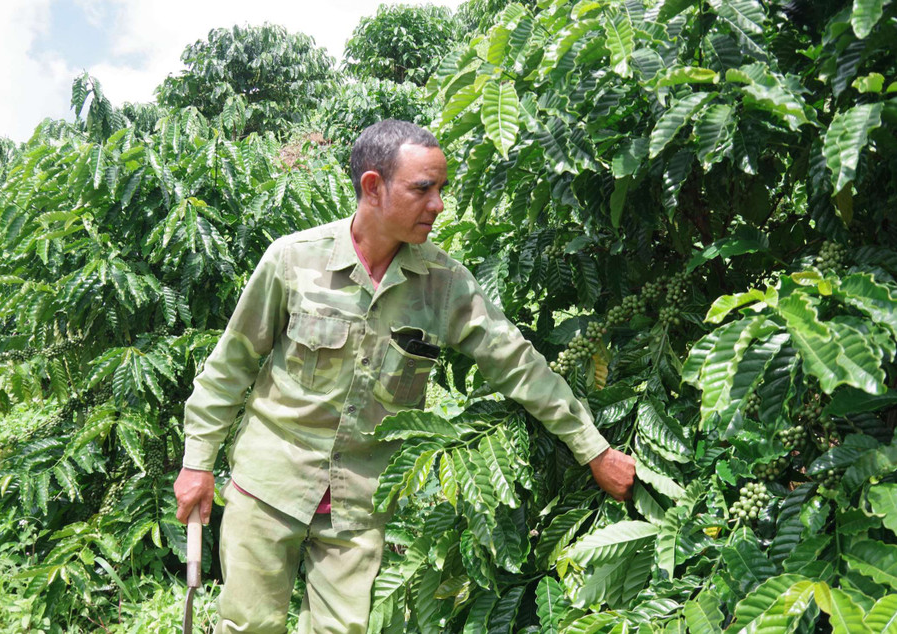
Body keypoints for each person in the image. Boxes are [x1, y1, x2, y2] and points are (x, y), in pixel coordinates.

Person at [174, 119, 635, 633]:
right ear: (373, 187)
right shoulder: (292, 260)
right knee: (249, 626)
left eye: (441, 189)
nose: (438, 205)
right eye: (423, 189)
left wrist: (593, 448)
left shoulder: (444, 284)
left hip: (359, 503)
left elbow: (519, 363)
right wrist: (197, 465)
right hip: (269, 484)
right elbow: (229, 367)